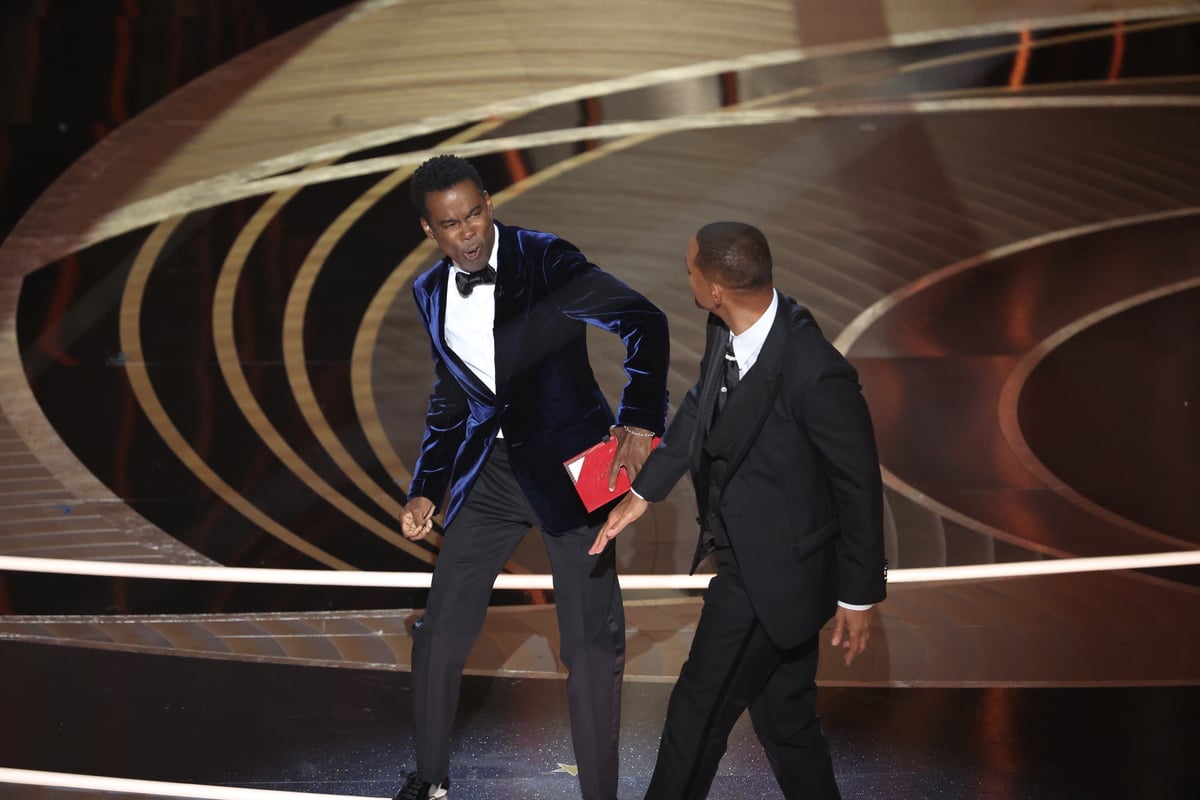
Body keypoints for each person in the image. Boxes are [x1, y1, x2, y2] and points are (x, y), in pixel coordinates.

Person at [395, 154, 670, 800]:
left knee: (590, 647)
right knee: (439, 634)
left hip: (577, 472)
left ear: (490, 203)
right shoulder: (430, 291)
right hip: (489, 476)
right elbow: (452, 398)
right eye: (450, 224)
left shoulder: (546, 260)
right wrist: (428, 485)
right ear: (427, 231)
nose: (467, 233)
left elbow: (644, 322)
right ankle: (431, 780)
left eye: (476, 214)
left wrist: (637, 420)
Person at [590, 221, 887, 799]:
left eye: (691, 268)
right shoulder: (724, 327)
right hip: (750, 560)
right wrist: (646, 490)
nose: (689, 276)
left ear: (717, 288)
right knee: (787, 724)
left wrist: (858, 593)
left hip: (771, 576)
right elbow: (702, 407)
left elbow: (858, 484)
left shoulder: (814, 369)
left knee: (694, 716)